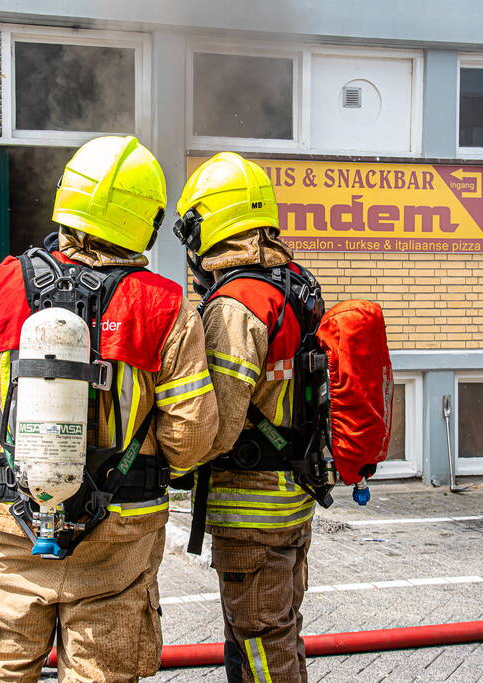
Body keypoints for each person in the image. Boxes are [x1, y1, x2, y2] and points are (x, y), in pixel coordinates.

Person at [0, 135, 217, 682]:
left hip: (8, 528)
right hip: (119, 539)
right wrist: (150, 474)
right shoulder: (167, 307)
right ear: (146, 221)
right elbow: (193, 434)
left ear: (66, 200)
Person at [172, 152, 348, 683]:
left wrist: (164, 460)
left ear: (210, 223)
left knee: (257, 644)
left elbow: (217, 425)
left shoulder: (237, 303)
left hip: (252, 512)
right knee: (281, 631)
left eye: (192, 229)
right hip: (292, 496)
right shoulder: (294, 282)